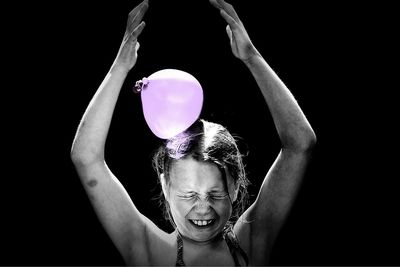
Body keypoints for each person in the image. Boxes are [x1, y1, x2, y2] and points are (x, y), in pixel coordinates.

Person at [70, 0, 317, 265]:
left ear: (234, 187)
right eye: (189, 195)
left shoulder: (253, 242)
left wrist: (252, 57)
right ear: (166, 186)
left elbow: (300, 144)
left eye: (215, 194)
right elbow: (86, 157)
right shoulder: (148, 250)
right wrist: (120, 67)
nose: (202, 207)